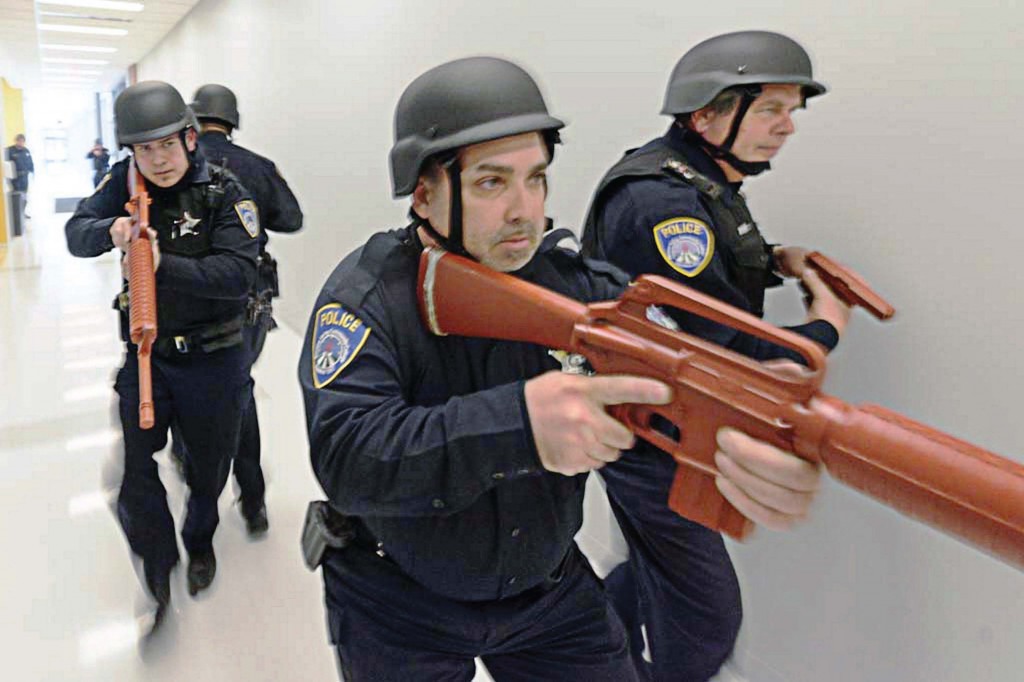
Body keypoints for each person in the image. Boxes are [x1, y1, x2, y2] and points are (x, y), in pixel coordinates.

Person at [300, 55, 823, 681]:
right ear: (424, 193)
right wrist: (520, 423)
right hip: (397, 595)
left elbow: (676, 370)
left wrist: (746, 426)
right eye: (492, 183)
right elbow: (349, 455)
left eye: (537, 179)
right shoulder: (366, 296)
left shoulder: (579, 289)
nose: (525, 210)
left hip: (547, 590)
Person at [580, 31, 851, 681]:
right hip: (651, 434)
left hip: (676, 422)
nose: (786, 128)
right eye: (769, 110)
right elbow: (729, 348)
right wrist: (824, 327)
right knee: (706, 617)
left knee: (654, 576)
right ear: (706, 115)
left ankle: (582, 653)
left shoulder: (700, 178)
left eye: (792, 112)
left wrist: (774, 260)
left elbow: (702, 284)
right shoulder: (664, 204)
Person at [64, 81, 259, 628]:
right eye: (144, 150)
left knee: (207, 471)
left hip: (215, 360)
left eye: (167, 146)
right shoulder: (122, 184)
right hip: (148, 357)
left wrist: (158, 262)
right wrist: (113, 229)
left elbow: (238, 275)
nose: (158, 160)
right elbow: (75, 233)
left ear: (190, 139)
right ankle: (158, 565)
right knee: (132, 471)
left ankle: (199, 540)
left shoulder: (226, 193)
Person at [162, 83, 303, 536]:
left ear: (191, 121)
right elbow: (292, 218)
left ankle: (192, 467)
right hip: (245, 304)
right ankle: (253, 499)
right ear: (232, 120)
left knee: (188, 391)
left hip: (182, 306)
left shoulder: (169, 166)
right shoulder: (256, 167)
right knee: (238, 394)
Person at [5, 133, 34, 218]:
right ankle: (15, 215)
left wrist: (32, 171)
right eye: (19, 141)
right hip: (15, 178)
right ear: (16, 141)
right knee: (16, 196)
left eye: (22, 141)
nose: (21, 143)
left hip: (24, 177)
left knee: (24, 196)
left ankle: (22, 213)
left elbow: (30, 162)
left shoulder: (26, 151)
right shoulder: (9, 151)